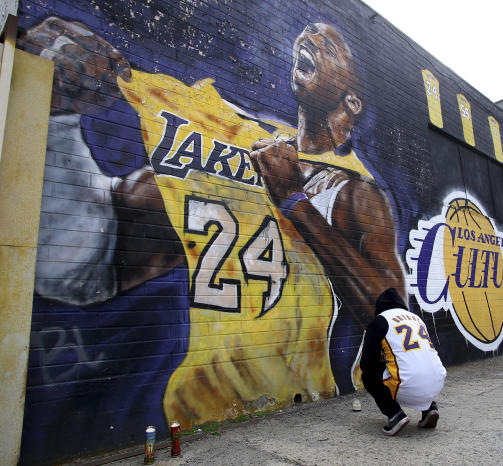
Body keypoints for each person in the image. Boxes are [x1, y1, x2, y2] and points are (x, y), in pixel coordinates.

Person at [22, 18, 405, 427]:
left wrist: (294, 201)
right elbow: (79, 263)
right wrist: (54, 112)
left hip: (305, 415)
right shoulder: (240, 142)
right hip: (191, 416)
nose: (310, 36)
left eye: (331, 46)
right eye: (309, 29)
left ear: (352, 102)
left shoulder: (354, 192)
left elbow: (396, 320)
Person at [360, 288, 446, 435]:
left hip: (407, 384)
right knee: (417, 364)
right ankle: (430, 408)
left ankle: (394, 414)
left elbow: (367, 362)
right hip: (437, 380)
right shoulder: (416, 318)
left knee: (368, 375)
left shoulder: (380, 321)